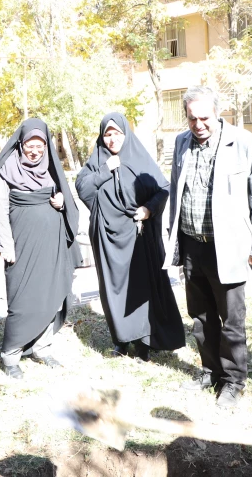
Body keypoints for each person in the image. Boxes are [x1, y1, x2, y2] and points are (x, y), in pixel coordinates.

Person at [164, 86, 252, 408]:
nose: (198, 124)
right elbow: (175, 192)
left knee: (231, 321)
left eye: (204, 118)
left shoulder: (245, 143)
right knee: (200, 316)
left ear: (217, 113)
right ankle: (209, 370)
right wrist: (174, 243)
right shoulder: (181, 143)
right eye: (191, 118)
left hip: (229, 248)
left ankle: (234, 380)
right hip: (192, 244)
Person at [75, 112, 185, 361]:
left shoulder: (139, 158)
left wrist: (148, 210)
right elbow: (82, 188)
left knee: (140, 286)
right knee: (114, 289)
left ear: (126, 134)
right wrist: (105, 170)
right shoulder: (98, 162)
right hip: (107, 238)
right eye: (107, 134)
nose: (112, 139)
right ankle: (121, 341)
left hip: (138, 236)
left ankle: (144, 343)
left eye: (117, 134)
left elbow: (163, 189)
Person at [0, 118, 80, 379]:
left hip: (52, 246)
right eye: (30, 143)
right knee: (22, 299)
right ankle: (11, 355)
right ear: (21, 143)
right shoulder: (7, 168)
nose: (35, 150)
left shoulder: (52, 167)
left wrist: (62, 203)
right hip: (21, 247)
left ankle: (42, 347)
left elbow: (67, 202)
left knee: (50, 294)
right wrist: (6, 245)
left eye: (40, 144)